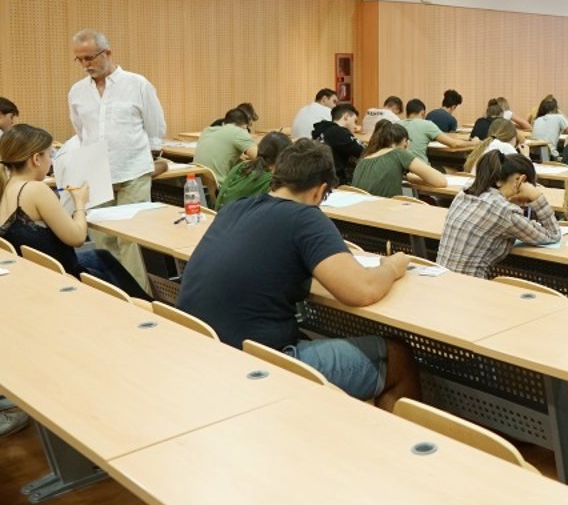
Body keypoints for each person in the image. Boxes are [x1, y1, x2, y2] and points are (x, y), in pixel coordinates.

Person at [177, 140, 418, 407]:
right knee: (398, 357)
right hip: (253, 363)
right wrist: (392, 267)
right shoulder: (305, 217)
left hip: (201, 349)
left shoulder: (235, 208)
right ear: (320, 192)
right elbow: (362, 290)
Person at [1, 123, 150, 299]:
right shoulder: (35, 190)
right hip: (61, 276)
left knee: (101, 256)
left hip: (36, 270)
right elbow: (77, 237)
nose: (51, 162)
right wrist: (80, 203)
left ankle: (145, 301)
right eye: (49, 155)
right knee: (107, 265)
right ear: (36, 159)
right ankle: (145, 304)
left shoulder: (7, 187)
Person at [67, 28, 167, 290]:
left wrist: (150, 160)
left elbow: (155, 127)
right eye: (80, 59)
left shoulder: (137, 84)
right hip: (97, 174)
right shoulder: (77, 92)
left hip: (133, 171)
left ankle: (138, 298)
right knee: (103, 239)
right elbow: (81, 131)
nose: (85, 64)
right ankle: (112, 293)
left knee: (130, 240)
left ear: (107, 53)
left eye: (90, 57)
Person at [436, 151, 561, 277]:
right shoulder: (504, 212)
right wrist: (536, 196)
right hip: (470, 285)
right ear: (520, 180)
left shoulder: (466, 191)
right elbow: (553, 235)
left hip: (441, 280)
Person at [352, 121, 447, 196]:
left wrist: (406, 177)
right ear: (406, 142)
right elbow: (441, 181)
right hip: (385, 210)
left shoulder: (363, 159)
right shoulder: (398, 153)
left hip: (360, 210)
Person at [216, 131, 290, 211]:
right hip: (237, 217)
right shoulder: (272, 180)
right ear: (284, 156)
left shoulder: (241, 166)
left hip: (217, 214)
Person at [398, 98, 475, 163]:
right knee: (453, 169)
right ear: (422, 113)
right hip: (420, 169)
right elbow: (454, 144)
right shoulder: (426, 124)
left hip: (400, 169)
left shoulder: (397, 124)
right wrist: (474, 143)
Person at [195, 107, 258, 186]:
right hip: (221, 186)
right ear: (245, 126)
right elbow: (261, 158)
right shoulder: (239, 132)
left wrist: (237, 157)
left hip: (197, 182)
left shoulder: (207, 130)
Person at [311, 103, 363, 185]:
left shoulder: (323, 130)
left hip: (319, 179)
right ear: (346, 116)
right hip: (336, 182)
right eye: (355, 121)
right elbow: (363, 152)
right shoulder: (339, 133)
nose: (356, 126)